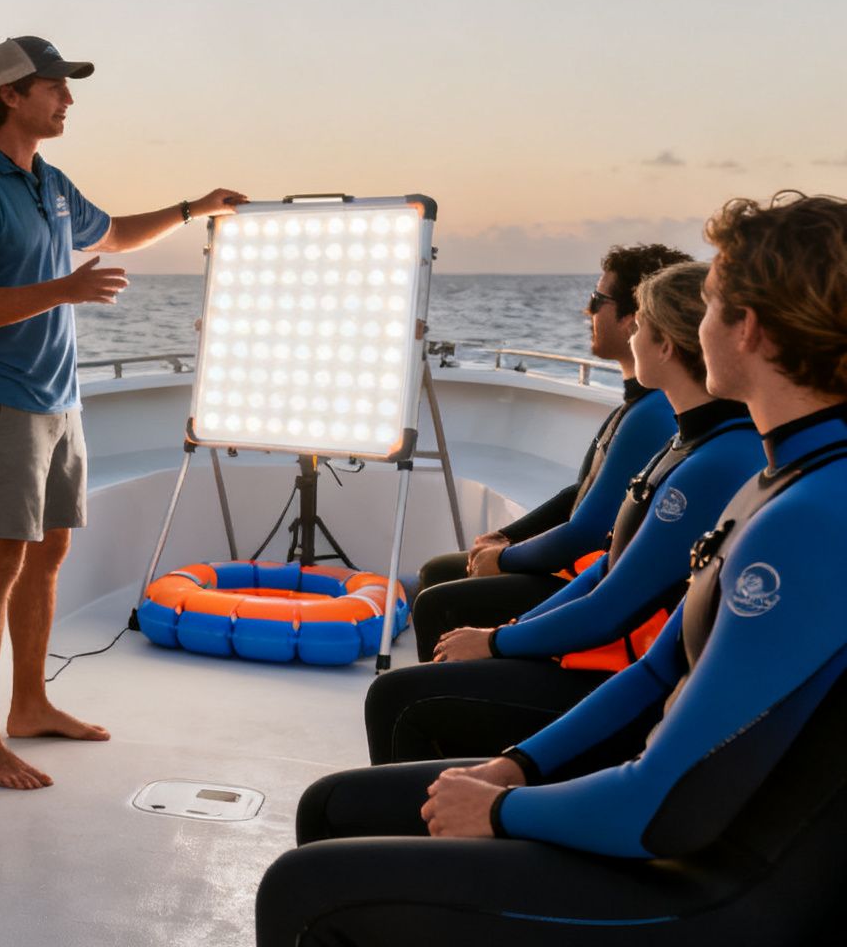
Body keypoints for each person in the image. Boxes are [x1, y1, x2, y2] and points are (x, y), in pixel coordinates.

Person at [254, 191, 847, 946]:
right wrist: (517, 767)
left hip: (728, 891)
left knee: (309, 892)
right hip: (693, 833)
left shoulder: (812, 515)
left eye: (711, 303)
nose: (694, 324)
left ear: (750, 329)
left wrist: (501, 811)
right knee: (337, 807)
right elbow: (660, 675)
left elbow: (663, 807)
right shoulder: (785, 476)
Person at [0, 35, 244, 790]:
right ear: (11, 95)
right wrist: (63, 291)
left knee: (51, 552)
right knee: (0, 559)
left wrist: (193, 208)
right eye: (54, 88)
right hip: (0, 398)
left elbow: (116, 233)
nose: (68, 100)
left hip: (59, 397)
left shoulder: (49, 182)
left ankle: (30, 704)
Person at [361, 263, 763, 763]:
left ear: (663, 347)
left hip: (620, 681)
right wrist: (508, 632)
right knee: (420, 666)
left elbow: (612, 597)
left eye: (639, 326)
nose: (628, 331)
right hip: (618, 660)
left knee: (395, 698)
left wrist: (501, 639)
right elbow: (611, 565)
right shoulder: (688, 440)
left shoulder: (713, 456)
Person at [407, 244, 690, 659]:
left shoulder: (651, 415)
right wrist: (507, 537)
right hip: (580, 572)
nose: (586, 312)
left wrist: (505, 560)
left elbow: (588, 529)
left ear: (634, 320)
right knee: (440, 574)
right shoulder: (636, 407)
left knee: (439, 596)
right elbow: (581, 493)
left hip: (588, 586)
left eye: (597, 301)